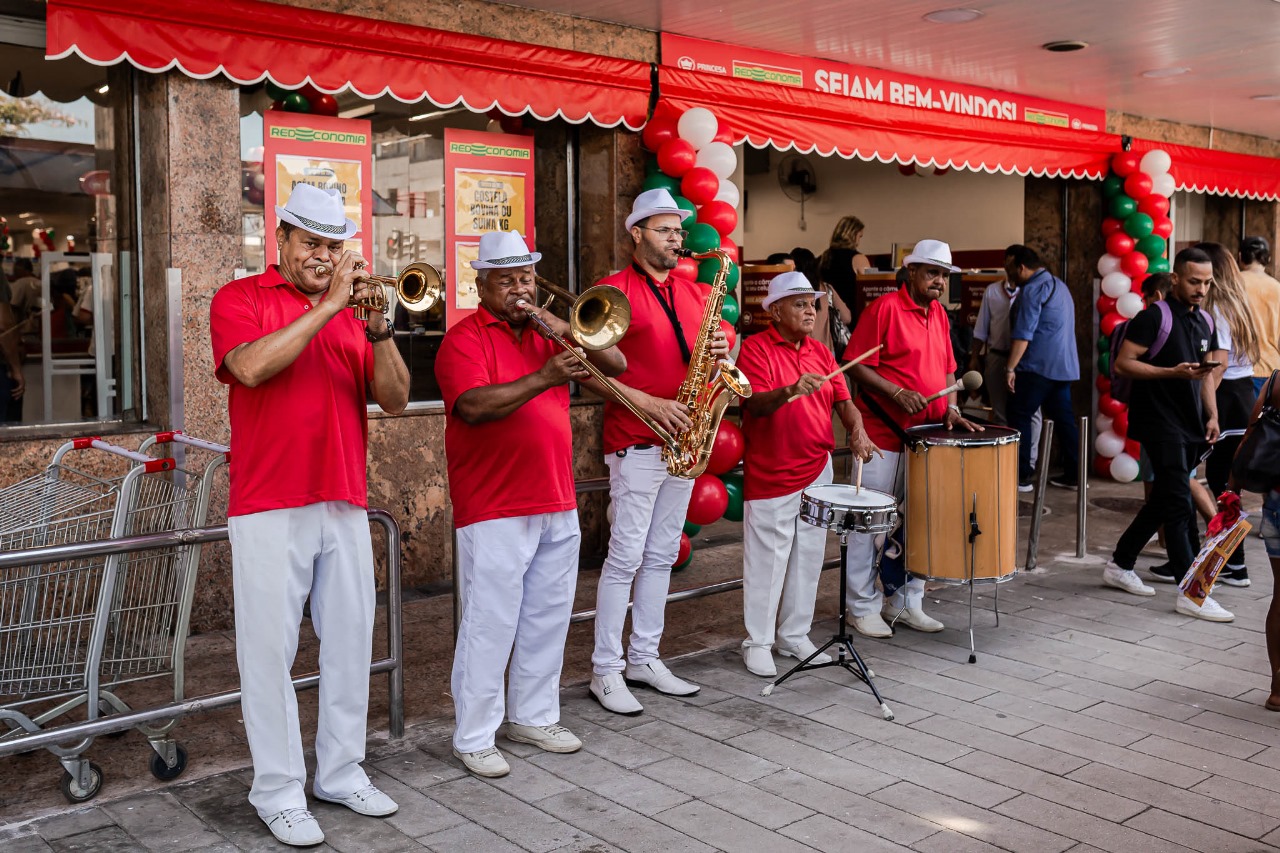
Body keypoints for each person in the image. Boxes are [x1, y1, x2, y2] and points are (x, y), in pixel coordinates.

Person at [209, 184, 409, 847]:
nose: (323, 256)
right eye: (311, 243)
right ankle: (277, 789)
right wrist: (328, 308)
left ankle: (342, 771)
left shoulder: (355, 313)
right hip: (268, 502)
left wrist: (378, 330)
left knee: (352, 643)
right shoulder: (240, 298)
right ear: (282, 241)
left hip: (343, 498)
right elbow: (249, 367)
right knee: (269, 655)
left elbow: (396, 399)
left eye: (333, 245)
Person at [436, 230, 626, 777]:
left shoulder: (548, 333)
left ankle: (533, 715)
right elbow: (473, 406)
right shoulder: (463, 338)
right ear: (481, 285)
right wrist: (544, 377)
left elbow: (615, 363)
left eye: (526, 278)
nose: (519, 289)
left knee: (548, 614)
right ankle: (474, 735)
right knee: (490, 622)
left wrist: (566, 328)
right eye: (506, 280)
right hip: (493, 502)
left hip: (555, 495)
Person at [587, 188, 730, 716]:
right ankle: (605, 669)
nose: (676, 239)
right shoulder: (611, 291)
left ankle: (644, 657)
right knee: (624, 557)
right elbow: (589, 368)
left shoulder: (693, 294)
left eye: (679, 231)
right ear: (637, 233)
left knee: (662, 554)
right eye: (665, 230)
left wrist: (722, 352)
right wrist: (647, 403)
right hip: (637, 439)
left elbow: (714, 356)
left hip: (685, 438)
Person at [735, 271, 879, 677]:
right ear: (775, 311)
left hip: (818, 468)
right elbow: (753, 405)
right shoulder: (756, 349)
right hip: (773, 471)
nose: (810, 311)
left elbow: (844, 402)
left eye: (813, 304)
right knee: (768, 560)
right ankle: (758, 642)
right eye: (799, 304)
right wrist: (790, 390)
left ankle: (794, 634)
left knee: (809, 555)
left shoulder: (821, 351)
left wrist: (857, 429)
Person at [845, 239, 981, 638]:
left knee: (918, 523)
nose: (939, 281)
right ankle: (861, 606)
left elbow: (948, 371)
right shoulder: (884, 309)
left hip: (926, 439)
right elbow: (855, 365)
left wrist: (951, 408)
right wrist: (896, 392)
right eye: (932, 272)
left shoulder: (939, 313)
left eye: (944, 275)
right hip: (881, 437)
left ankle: (906, 601)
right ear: (911, 272)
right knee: (868, 524)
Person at [1102, 247, 1230, 622]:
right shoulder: (1154, 316)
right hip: (1158, 422)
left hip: (1190, 423)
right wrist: (1170, 372)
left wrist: (1212, 415)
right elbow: (1123, 364)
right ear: (1175, 278)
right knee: (1177, 502)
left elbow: (1205, 375)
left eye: (1207, 282)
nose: (1201, 289)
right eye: (1194, 281)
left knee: (1163, 497)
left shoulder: (1205, 320)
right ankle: (1191, 591)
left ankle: (1120, 563)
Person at [1196, 242, 1260, 587]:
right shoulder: (1239, 304)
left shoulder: (1218, 308)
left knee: (1220, 483)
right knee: (1226, 484)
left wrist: (1207, 407)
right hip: (1243, 396)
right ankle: (1231, 563)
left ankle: (1234, 564)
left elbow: (1218, 366)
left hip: (1227, 398)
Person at [1002, 245, 1080, 491]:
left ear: (1021, 267)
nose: (1008, 274)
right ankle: (1076, 475)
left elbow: (1023, 334)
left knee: (1019, 415)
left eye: (1009, 268)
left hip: (1036, 367)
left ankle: (1021, 476)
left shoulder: (1032, 289)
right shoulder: (1060, 286)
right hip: (1063, 367)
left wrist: (1010, 368)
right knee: (1064, 420)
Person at [1232, 374, 1280, 710]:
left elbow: (1250, 435)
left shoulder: (1275, 381)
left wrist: (1231, 492)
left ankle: (1278, 689)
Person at [793, 246, 852, 361]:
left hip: (801, 351)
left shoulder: (792, 292)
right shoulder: (827, 289)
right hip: (827, 351)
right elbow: (847, 317)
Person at [1238, 236, 1280, 395]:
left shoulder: (1233, 284)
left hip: (1240, 368)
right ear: (1268, 258)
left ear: (1240, 256)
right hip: (1273, 369)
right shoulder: (1277, 288)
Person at [818, 215, 872, 317]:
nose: (858, 242)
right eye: (859, 236)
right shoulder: (858, 259)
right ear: (852, 235)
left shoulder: (822, 258)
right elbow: (869, 290)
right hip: (851, 316)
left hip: (826, 316)